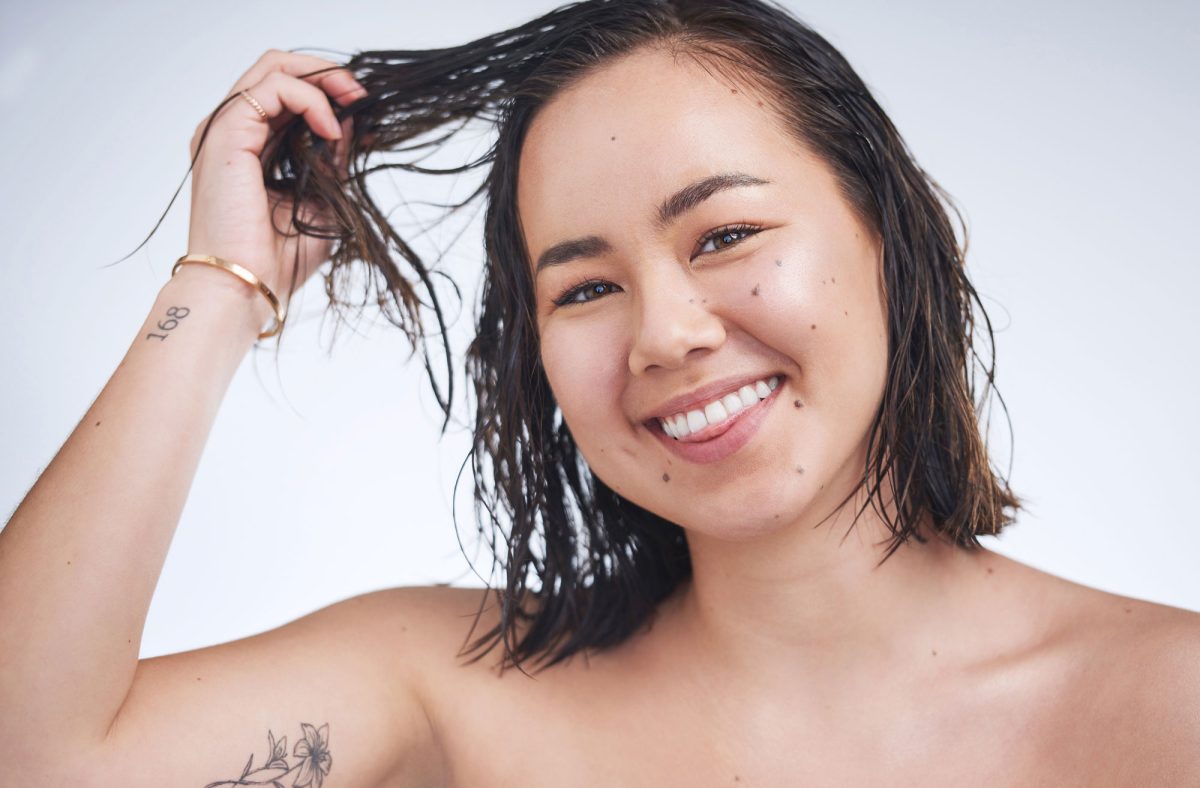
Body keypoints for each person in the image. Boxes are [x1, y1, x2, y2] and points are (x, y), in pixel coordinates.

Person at [2, 0, 1197, 784]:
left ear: (895, 236)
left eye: (726, 233)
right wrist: (224, 284)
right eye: (582, 290)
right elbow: (38, 755)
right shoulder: (455, 688)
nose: (666, 335)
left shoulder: (1163, 704)